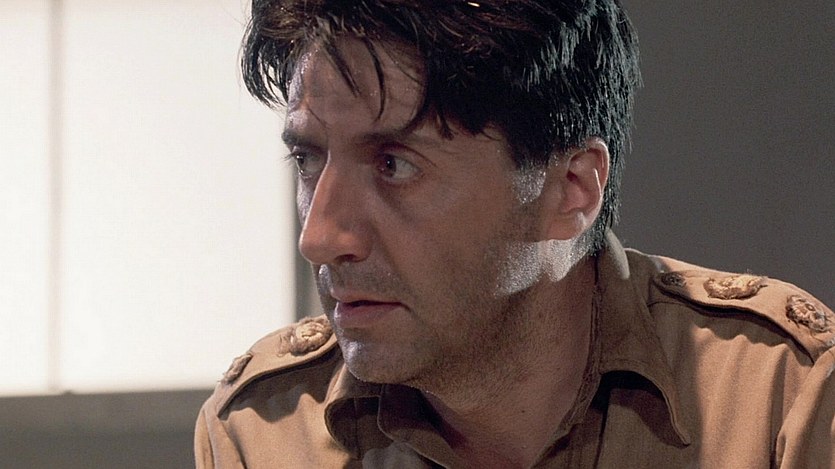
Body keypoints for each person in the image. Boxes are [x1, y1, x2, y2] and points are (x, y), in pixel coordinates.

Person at [194, 1, 834, 467]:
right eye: (307, 160)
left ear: (572, 188)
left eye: (394, 164)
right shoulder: (266, 431)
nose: (319, 235)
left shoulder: (779, 396)